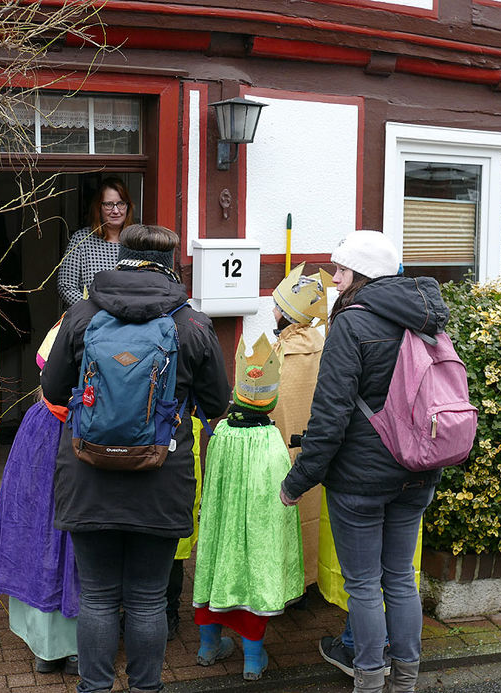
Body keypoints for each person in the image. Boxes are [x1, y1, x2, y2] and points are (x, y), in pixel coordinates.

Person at [41, 224, 230, 693]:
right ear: (171, 266)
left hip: (88, 475)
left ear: (119, 255)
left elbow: (52, 389)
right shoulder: (191, 324)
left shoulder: (82, 315)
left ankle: (94, 688)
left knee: (99, 599)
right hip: (160, 478)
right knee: (147, 600)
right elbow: (217, 404)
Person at [280, 230, 449, 693]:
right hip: (418, 469)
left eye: (341, 270)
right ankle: (406, 682)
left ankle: (370, 682)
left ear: (363, 274)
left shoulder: (353, 323)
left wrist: (299, 481)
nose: (334, 280)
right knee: (400, 578)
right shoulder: (427, 319)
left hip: (361, 479)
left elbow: (330, 414)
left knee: (363, 585)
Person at [192, 334, 304, 681]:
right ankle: (252, 661)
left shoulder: (222, 431)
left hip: (221, 526)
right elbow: (278, 490)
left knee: (213, 575)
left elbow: (213, 480)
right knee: (253, 582)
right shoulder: (271, 438)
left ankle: (208, 648)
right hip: (256, 531)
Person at [0, 319, 78, 675]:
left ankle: (45, 647)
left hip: (43, 433)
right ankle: (75, 648)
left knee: (37, 532)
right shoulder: (109, 326)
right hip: (85, 435)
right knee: (71, 538)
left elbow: (47, 374)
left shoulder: (64, 324)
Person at [269, 263, 331, 589]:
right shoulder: (323, 345)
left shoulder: (280, 352)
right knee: (313, 516)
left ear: (286, 314)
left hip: (282, 452)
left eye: (277, 306)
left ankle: (287, 584)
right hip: (318, 451)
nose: (273, 311)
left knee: (285, 518)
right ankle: (311, 579)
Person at [57, 176, 135, 308]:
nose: (116, 211)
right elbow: (66, 287)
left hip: (129, 321)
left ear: (128, 206)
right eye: (109, 204)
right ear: (98, 207)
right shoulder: (81, 240)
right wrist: (95, 311)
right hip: (91, 320)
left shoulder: (136, 242)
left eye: (121, 203)